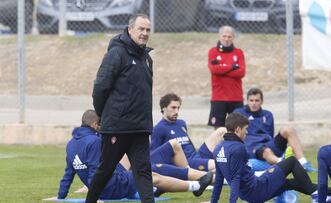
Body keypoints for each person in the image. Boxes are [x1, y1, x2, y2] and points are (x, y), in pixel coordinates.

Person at [56, 110, 213, 201]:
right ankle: (196, 186)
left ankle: (160, 188)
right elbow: (95, 171)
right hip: (112, 187)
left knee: (148, 171)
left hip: (108, 184)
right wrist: (95, 196)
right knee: (151, 175)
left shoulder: (71, 144)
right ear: (95, 125)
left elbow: (68, 173)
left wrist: (61, 196)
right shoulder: (94, 142)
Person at [88, 14, 154, 203]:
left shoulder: (147, 59)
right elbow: (100, 88)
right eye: (141, 29)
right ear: (130, 29)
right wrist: (103, 115)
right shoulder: (116, 54)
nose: (144, 33)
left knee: (143, 172)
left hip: (140, 128)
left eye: (147, 30)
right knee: (105, 170)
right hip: (118, 127)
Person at [211, 112, 331, 203]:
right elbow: (236, 178)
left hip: (250, 193)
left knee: (289, 183)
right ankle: (316, 196)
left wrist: (214, 201)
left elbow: (219, 180)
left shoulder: (218, 149)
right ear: (238, 129)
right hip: (257, 189)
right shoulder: (238, 148)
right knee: (292, 161)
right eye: (246, 129)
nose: (247, 132)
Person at [233, 87, 316, 172]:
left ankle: (304, 163)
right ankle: (284, 163)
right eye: (251, 100)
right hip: (253, 147)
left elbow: (270, 135)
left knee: (288, 129)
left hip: (268, 143)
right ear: (247, 101)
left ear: (262, 101)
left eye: (257, 100)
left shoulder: (268, 114)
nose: (254, 103)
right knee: (266, 151)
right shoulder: (239, 113)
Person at [150, 93, 227, 171]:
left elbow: (189, 144)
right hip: (188, 162)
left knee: (222, 130)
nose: (176, 111)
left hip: (197, 155)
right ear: (163, 108)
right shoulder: (159, 128)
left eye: (178, 108)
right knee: (218, 164)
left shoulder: (181, 123)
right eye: (173, 108)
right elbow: (154, 156)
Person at [207, 25, 246, 128]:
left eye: (229, 37)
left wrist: (222, 69)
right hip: (219, 96)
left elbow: (241, 72)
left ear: (233, 38)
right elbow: (214, 69)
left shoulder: (238, 53)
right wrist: (233, 67)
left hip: (235, 97)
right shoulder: (213, 52)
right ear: (220, 36)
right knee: (218, 129)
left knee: (237, 127)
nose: (226, 39)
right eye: (224, 36)